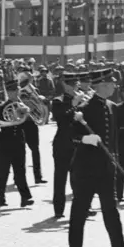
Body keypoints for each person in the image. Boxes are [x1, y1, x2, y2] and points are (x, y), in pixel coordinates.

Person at [68, 69, 124, 247]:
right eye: (111, 83)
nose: (115, 86)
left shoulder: (112, 106)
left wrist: (115, 159)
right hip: (86, 168)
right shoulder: (85, 108)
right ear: (102, 85)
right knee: (80, 209)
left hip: (106, 168)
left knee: (110, 209)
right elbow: (71, 135)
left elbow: (114, 137)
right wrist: (86, 138)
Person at [0, 78, 34, 208]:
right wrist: (16, 116)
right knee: (3, 172)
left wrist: (26, 115)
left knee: (20, 171)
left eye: (16, 90)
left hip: (19, 141)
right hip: (4, 142)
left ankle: (25, 197)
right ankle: (1, 197)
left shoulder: (23, 107)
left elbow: (29, 127)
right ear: (7, 92)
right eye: (12, 91)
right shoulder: (0, 108)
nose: (15, 93)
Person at [49, 72, 81, 219]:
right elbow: (60, 118)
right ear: (64, 85)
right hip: (62, 143)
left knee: (79, 178)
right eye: (71, 84)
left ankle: (82, 208)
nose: (74, 87)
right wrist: (73, 106)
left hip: (79, 143)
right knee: (60, 178)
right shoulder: (58, 100)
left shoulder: (82, 99)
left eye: (75, 84)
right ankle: (58, 209)